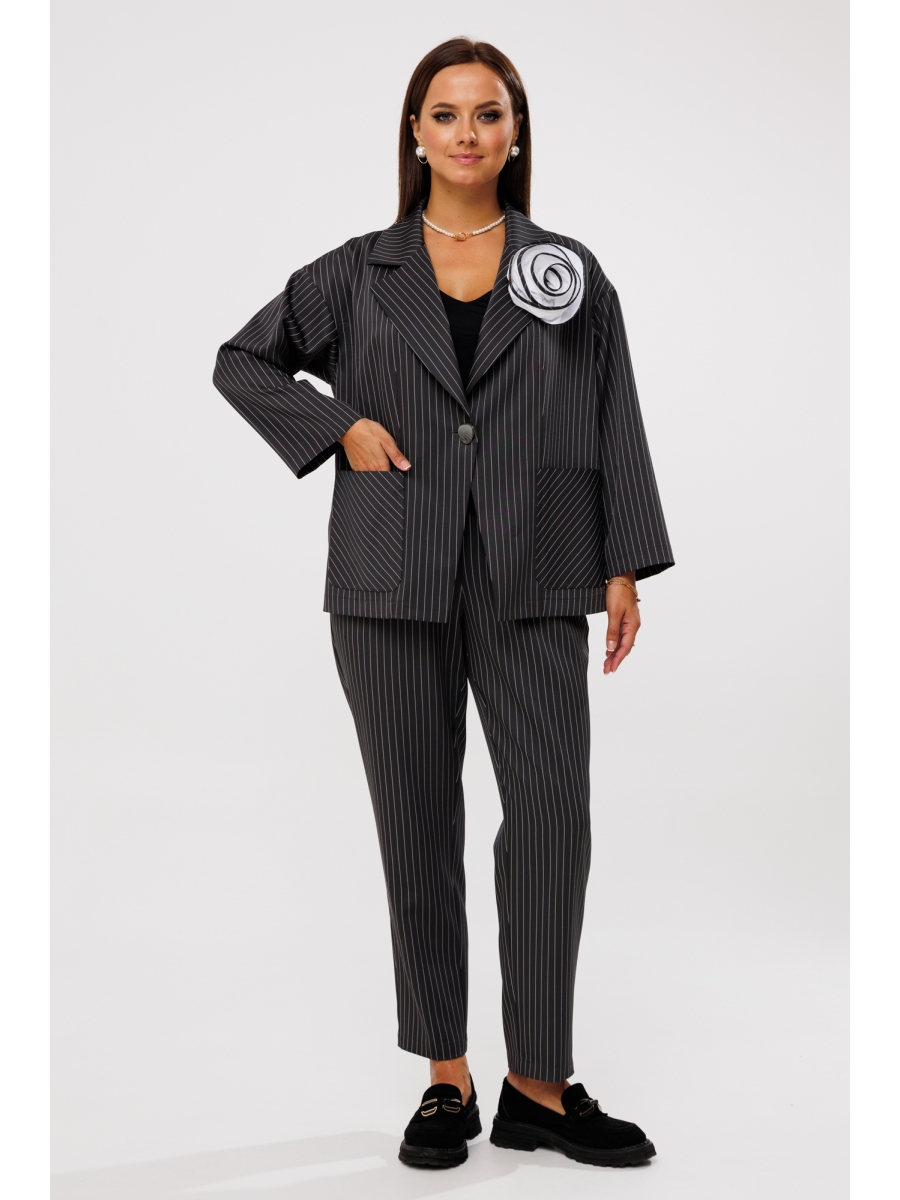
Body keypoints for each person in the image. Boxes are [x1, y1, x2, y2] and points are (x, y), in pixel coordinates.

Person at [213, 37, 673, 1171]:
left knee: (553, 820)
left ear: (515, 133)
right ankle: (445, 1079)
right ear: (415, 134)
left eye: (489, 113)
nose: (468, 132)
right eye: (446, 113)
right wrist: (338, 426)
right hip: (391, 576)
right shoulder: (357, 272)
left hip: (538, 570)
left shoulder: (566, 270)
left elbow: (612, 406)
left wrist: (623, 561)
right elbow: (243, 360)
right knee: (417, 822)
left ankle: (539, 1085)